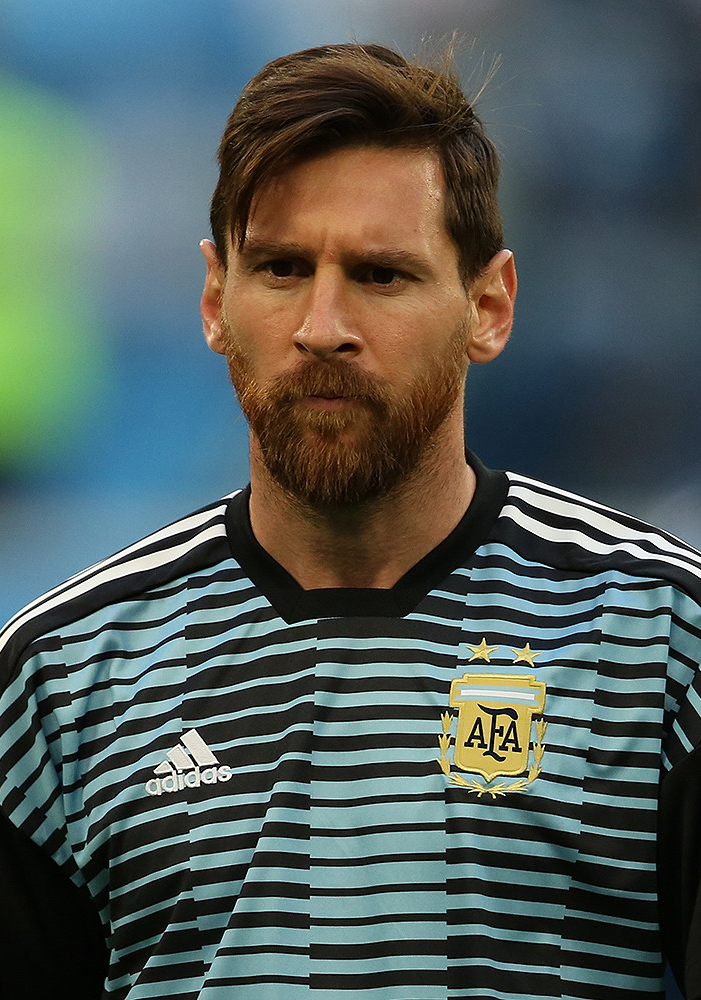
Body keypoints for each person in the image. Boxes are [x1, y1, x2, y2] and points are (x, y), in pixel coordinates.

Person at [0, 41, 699, 1000]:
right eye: (282, 268)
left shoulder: (657, 637)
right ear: (215, 300)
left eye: (380, 275)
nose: (322, 327)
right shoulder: (65, 674)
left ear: (488, 307)